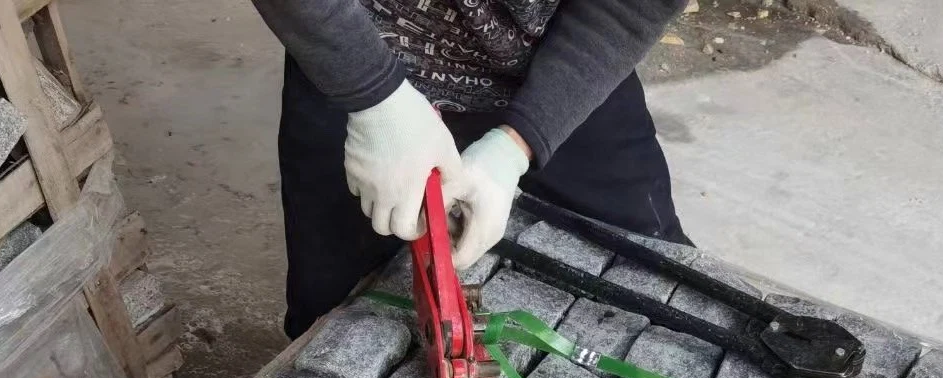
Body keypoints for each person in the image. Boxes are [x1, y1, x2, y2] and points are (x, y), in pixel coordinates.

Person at [251, 0, 691, 339]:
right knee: (329, 315)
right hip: (352, 47)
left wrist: (515, 146)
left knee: (661, 288)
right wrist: (372, 97)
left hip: (563, 49)